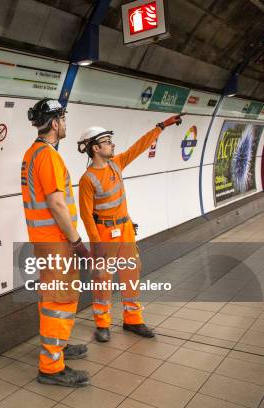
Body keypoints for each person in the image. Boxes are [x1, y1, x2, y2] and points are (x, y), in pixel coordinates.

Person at [77, 114, 183, 342]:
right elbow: (86, 216)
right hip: (104, 234)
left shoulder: (116, 164)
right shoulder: (88, 179)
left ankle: (133, 320)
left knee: (131, 274)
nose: (112, 145)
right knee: (103, 279)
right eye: (106, 142)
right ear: (95, 148)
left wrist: (161, 127)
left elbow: (139, 147)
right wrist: (96, 244)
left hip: (125, 230)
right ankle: (102, 324)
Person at [21, 98, 91, 387]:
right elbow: (56, 203)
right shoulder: (48, 156)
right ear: (53, 123)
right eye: (62, 118)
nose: (65, 123)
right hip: (58, 243)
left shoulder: (31, 153)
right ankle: (51, 366)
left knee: (50, 300)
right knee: (59, 302)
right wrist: (77, 243)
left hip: (44, 242)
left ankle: (57, 348)